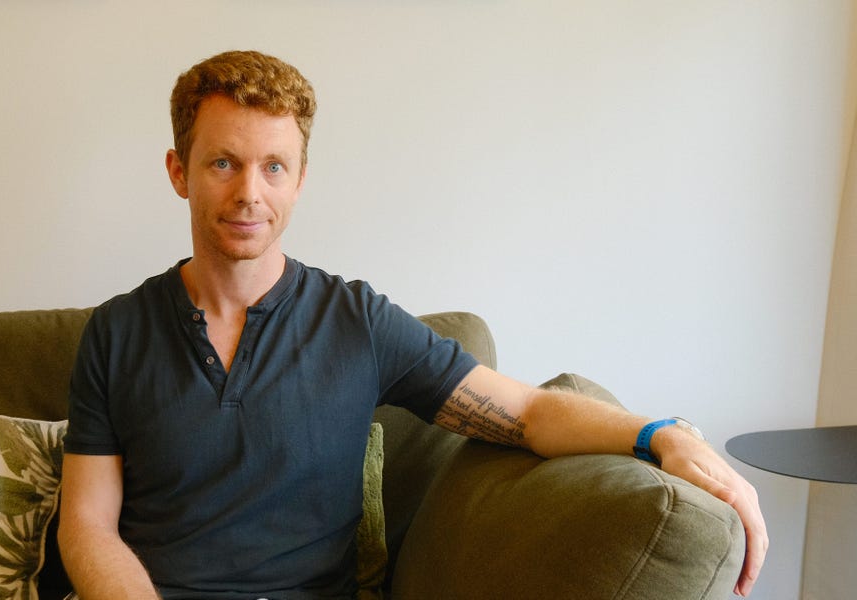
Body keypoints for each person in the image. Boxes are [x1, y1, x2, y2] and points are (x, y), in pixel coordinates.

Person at [58, 50, 768, 599]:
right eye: (224, 163)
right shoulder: (118, 332)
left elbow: (526, 413)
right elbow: (87, 524)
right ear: (179, 171)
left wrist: (659, 435)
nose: (251, 192)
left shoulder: (357, 323)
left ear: (300, 179)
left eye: (275, 166)